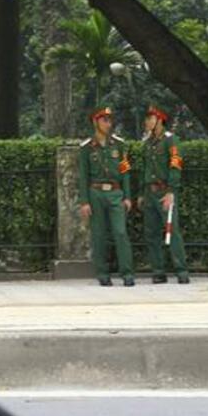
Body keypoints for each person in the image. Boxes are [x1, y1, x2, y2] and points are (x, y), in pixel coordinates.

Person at [77, 106, 135, 286]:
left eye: (110, 120)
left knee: (120, 232)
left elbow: (125, 171)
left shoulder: (119, 144)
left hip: (116, 193)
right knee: (99, 234)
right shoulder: (87, 147)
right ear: (96, 122)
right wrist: (84, 201)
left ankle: (127, 273)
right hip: (96, 193)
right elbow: (83, 175)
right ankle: (102, 273)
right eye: (104, 120)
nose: (108, 124)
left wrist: (127, 196)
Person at [136, 104, 189, 284]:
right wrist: (142, 193)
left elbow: (175, 165)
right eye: (147, 118)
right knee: (151, 233)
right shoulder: (147, 143)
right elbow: (144, 168)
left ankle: (181, 270)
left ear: (159, 120)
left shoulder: (170, 140)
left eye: (150, 118)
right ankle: (158, 271)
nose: (147, 121)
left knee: (172, 230)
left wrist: (171, 191)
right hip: (149, 193)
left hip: (164, 192)